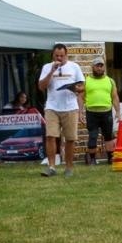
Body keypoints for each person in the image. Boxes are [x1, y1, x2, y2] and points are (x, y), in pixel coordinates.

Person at [36, 43, 84, 178]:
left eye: (62, 56)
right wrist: (52, 71)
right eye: (56, 55)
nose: (59, 58)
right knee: (51, 136)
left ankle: (69, 167)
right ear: (53, 55)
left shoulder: (74, 67)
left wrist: (74, 88)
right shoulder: (47, 67)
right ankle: (51, 167)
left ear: (66, 55)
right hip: (52, 106)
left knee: (70, 138)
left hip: (70, 107)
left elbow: (82, 87)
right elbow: (41, 86)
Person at [82, 59, 119, 165]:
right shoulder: (86, 81)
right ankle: (93, 159)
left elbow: (115, 97)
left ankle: (110, 158)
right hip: (91, 112)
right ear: (92, 67)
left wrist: (118, 111)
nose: (99, 68)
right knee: (93, 135)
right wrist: (80, 112)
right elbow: (81, 97)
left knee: (108, 136)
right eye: (97, 66)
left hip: (106, 112)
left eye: (101, 66)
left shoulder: (110, 81)